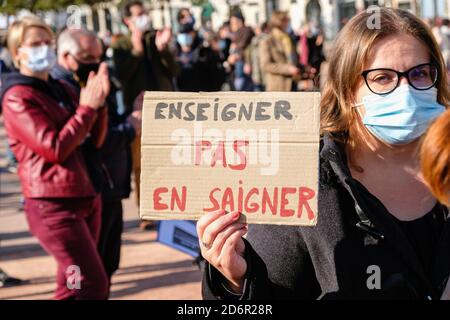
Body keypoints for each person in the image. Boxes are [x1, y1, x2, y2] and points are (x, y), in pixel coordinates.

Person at [198, 8, 450, 300]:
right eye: (382, 78)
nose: (405, 91)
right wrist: (236, 282)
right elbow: (270, 295)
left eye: (419, 73)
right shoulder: (306, 183)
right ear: (347, 90)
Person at [1, 16, 109, 300]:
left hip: (85, 196)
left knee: (71, 284)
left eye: (48, 42)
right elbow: (54, 148)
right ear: (17, 52)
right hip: (54, 207)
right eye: (35, 43)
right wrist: (86, 109)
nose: (44, 48)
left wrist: (99, 104)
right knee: (91, 283)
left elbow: (93, 142)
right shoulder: (17, 96)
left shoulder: (62, 88)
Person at [52, 28, 139, 291]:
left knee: (106, 267)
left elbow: (105, 127)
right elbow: (87, 142)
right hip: (84, 192)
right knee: (79, 277)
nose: (96, 62)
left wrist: (131, 113)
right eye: (87, 56)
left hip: (109, 187)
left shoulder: (96, 78)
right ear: (67, 57)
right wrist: (131, 125)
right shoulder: (59, 89)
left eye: (100, 56)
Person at [112, 1, 178, 226]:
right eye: (139, 15)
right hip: (140, 111)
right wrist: (136, 49)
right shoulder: (121, 44)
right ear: (127, 20)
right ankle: (147, 212)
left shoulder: (155, 38)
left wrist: (163, 49)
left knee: (171, 160)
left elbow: (174, 70)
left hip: (166, 109)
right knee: (143, 165)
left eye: (145, 13)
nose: (145, 18)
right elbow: (121, 76)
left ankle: (173, 208)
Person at [174, 19, 225, 92]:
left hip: (202, 93)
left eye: (188, 33)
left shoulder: (203, 51)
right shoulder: (174, 52)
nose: (185, 36)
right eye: (182, 33)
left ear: (193, 33)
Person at [260, 11, 300, 92]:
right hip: (278, 87)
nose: (288, 24)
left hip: (293, 83)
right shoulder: (268, 42)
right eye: (286, 21)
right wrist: (288, 69)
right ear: (279, 22)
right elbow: (265, 65)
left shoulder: (289, 39)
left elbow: (293, 61)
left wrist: (304, 68)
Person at [228, 11, 254, 91]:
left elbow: (244, 45)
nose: (232, 25)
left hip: (244, 62)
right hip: (238, 62)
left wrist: (236, 51)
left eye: (234, 22)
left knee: (243, 86)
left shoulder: (246, 30)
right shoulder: (236, 32)